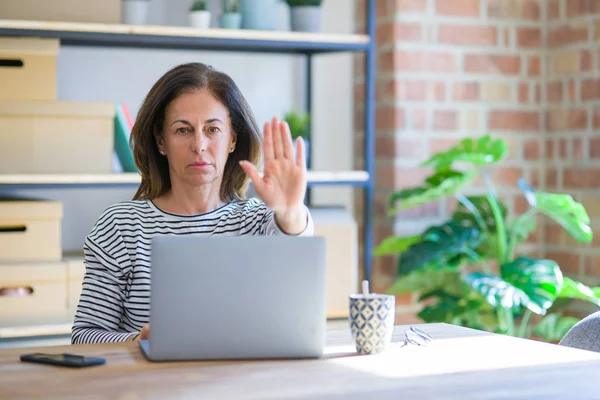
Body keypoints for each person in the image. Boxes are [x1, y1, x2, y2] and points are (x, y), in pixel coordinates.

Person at [71, 62, 313, 344]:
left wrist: (290, 211)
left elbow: (298, 277)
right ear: (161, 141)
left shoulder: (259, 221)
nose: (199, 145)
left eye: (213, 129)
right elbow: (85, 336)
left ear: (233, 139)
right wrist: (138, 343)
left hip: (242, 383)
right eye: (183, 130)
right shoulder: (121, 226)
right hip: (150, 385)